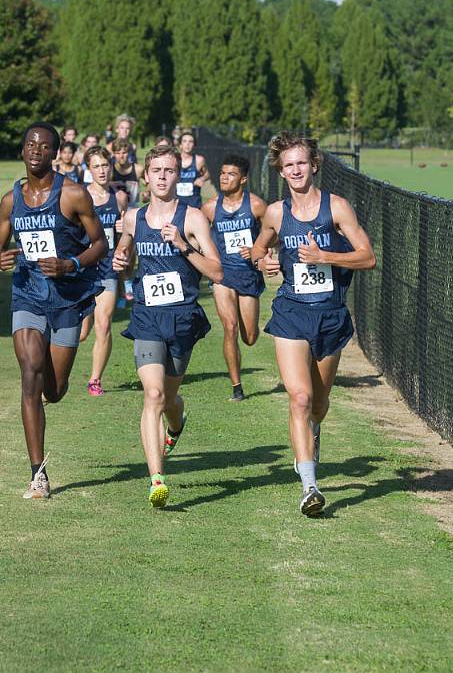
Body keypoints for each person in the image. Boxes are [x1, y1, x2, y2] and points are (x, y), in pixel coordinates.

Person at [249, 132, 376, 517]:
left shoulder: (336, 208)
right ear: (281, 171)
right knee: (299, 397)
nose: (295, 170)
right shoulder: (275, 213)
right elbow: (258, 247)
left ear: (314, 165)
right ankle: (310, 486)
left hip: (331, 314)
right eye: (288, 165)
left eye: (301, 163)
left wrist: (326, 256)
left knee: (318, 404)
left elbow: (367, 257)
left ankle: (312, 432)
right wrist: (263, 262)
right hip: (291, 312)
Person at [0, 123, 108, 500]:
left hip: (68, 299)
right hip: (27, 294)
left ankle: (52, 391)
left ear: (55, 153)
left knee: (52, 390)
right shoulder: (11, 200)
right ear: (22, 150)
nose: (36, 150)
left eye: (44, 146)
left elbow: (100, 243)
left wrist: (70, 264)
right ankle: (37, 475)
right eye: (30, 144)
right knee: (30, 373)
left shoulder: (73, 194)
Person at [112, 144, 224, 509]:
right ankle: (157, 479)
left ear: (179, 175)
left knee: (171, 399)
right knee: (154, 395)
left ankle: (176, 425)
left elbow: (217, 271)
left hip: (182, 318)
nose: (162, 176)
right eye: (156, 170)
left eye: (169, 170)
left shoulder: (192, 219)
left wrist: (182, 246)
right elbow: (127, 259)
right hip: (146, 315)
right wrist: (121, 261)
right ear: (146, 176)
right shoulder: (133, 217)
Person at [202, 153, 267, 402]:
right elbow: (194, 232)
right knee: (229, 327)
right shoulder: (210, 208)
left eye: (231, 174)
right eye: (222, 173)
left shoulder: (257, 206)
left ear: (243, 179)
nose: (224, 178)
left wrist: (259, 250)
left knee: (249, 337)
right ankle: (236, 387)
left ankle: (248, 325)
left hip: (248, 275)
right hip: (222, 275)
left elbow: (273, 232)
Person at [78, 146, 128, 396]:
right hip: (83, 269)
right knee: (82, 333)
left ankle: (95, 380)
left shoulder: (119, 197)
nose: (102, 170)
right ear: (89, 170)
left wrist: (123, 231)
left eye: (105, 165)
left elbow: (126, 238)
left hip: (107, 269)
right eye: (96, 166)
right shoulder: (80, 197)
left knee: (104, 324)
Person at [176, 129, 208, 209]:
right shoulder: (174, 160)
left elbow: (207, 173)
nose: (187, 144)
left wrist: (202, 178)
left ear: (194, 145)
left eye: (190, 142)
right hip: (176, 204)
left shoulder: (199, 160)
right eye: (185, 141)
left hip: (194, 204)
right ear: (180, 145)